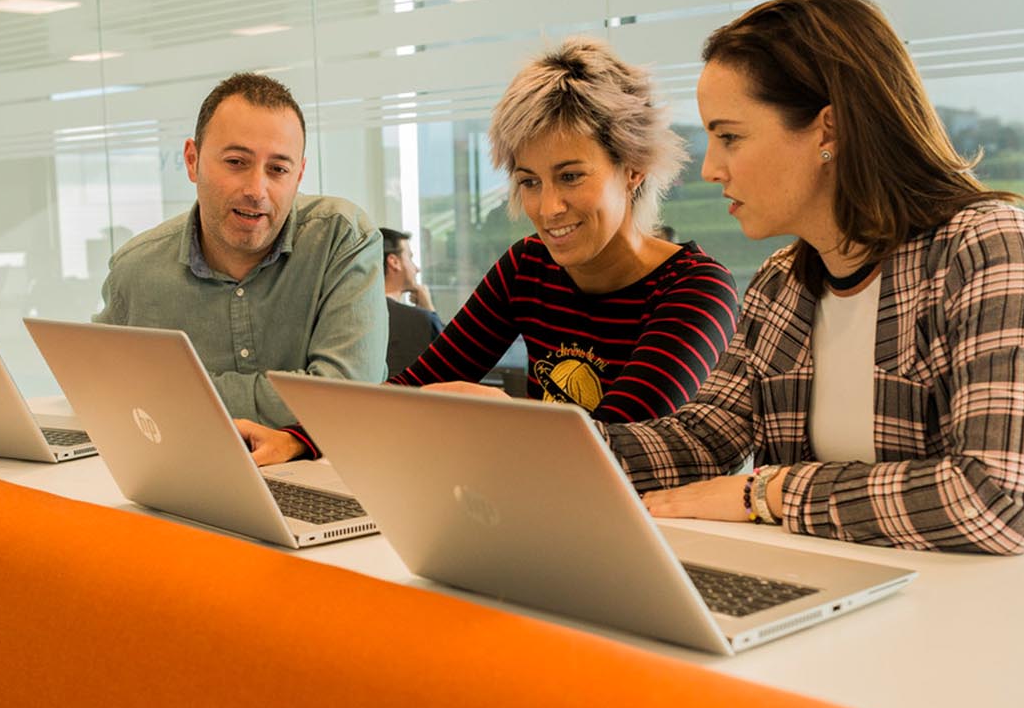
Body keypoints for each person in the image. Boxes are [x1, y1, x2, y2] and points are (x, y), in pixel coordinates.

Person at [615, 0, 1024, 558]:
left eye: (730, 136)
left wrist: (766, 493)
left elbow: (1002, 500)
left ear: (829, 130)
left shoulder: (991, 246)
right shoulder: (781, 286)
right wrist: (555, 450)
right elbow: (700, 439)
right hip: (901, 594)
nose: (709, 169)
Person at [240, 37, 741, 465]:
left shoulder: (697, 289)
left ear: (632, 168)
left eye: (570, 176)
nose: (548, 208)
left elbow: (621, 443)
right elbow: (419, 383)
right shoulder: (529, 267)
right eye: (529, 181)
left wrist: (498, 416)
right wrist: (300, 440)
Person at [94, 72, 386, 464]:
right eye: (236, 162)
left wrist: (174, 395)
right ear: (192, 161)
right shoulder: (136, 269)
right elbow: (101, 389)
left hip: (325, 479)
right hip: (184, 477)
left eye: (278, 169)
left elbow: (346, 397)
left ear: (298, 175)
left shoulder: (342, 239)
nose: (256, 189)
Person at [379, 227, 444, 378]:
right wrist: (429, 310)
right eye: (410, 257)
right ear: (394, 262)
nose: (417, 268)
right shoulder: (421, 321)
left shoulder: (354, 315)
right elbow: (452, 357)